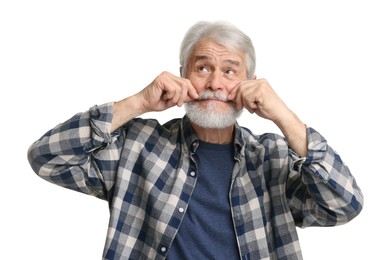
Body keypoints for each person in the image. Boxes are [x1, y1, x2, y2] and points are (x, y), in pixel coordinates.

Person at [27, 20, 363, 260]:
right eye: (203, 68)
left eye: (230, 71)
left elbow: (344, 205)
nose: (215, 82)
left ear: (252, 84)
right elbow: (47, 157)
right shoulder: (138, 145)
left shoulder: (272, 157)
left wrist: (283, 115)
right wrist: (139, 102)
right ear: (184, 75)